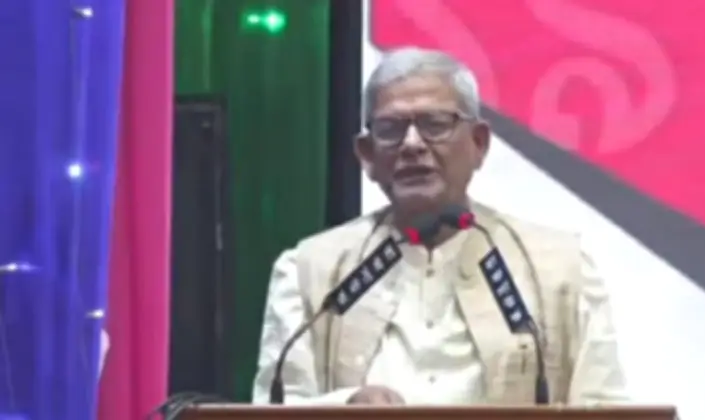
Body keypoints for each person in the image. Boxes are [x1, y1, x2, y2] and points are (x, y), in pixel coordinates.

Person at [252, 47, 628, 406]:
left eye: (435, 124)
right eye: (391, 129)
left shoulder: (560, 269)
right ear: (367, 155)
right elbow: (275, 409)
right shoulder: (309, 272)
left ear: (479, 144)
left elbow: (605, 409)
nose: (412, 144)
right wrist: (345, 406)